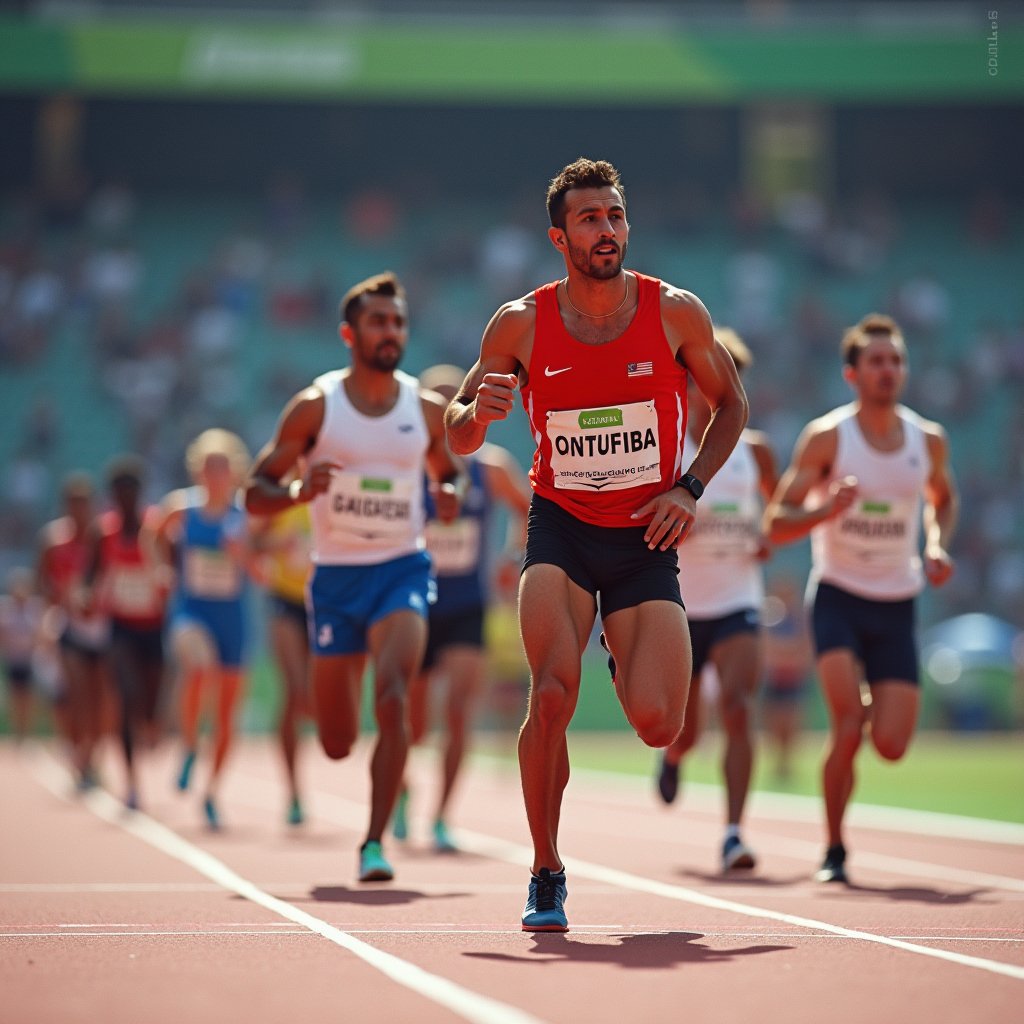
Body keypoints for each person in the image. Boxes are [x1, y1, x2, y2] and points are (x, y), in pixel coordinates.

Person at [444, 158, 748, 931]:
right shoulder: (519, 323)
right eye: (588, 219)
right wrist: (478, 411)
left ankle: (623, 643)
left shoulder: (674, 311)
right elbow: (456, 429)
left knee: (660, 725)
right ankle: (546, 868)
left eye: (613, 216)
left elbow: (732, 403)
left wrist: (690, 488)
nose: (605, 230)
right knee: (549, 696)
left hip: (646, 537)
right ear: (559, 236)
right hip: (563, 529)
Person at [244, 272, 463, 883]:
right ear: (349, 333)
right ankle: (343, 755)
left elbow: (452, 473)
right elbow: (252, 492)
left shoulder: (425, 407)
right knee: (337, 739)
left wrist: (447, 493)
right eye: (377, 322)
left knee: (394, 698)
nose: (390, 332)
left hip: (402, 569)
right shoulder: (318, 407)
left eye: (398, 322)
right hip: (335, 579)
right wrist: (295, 490)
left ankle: (373, 843)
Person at [763, 313, 958, 884]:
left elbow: (942, 499)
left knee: (892, 745)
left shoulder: (929, 440)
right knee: (847, 726)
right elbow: (776, 522)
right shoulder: (828, 437)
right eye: (876, 361)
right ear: (852, 374)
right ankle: (833, 848)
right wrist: (826, 510)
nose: (888, 370)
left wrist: (938, 543)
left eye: (895, 360)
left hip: (897, 601)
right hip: (839, 595)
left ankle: (869, 704)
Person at [653, 328, 778, 873]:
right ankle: (674, 756)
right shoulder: (669, 449)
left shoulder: (755, 452)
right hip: (681, 608)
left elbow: (777, 506)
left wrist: (769, 532)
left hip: (738, 601)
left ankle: (733, 832)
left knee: (739, 706)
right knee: (686, 732)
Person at [393, 363, 532, 853]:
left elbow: (530, 507)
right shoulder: (406, 466)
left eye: (455, 400)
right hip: (413, 603)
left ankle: (443, 816)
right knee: (412, 721)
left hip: (467, 605)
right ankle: (402, 790)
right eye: (434, 403)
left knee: (458, 712)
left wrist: (512, 556)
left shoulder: (489, 468)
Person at [150, 429, 255, 830]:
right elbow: (152, 534)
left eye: (223, 466)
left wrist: (242, 554)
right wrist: (158, 566)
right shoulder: (181, 509)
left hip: (233, 617)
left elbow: (260, 574)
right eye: (209, 466)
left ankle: (211, 791)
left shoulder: (245, 516)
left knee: (228, 716)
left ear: (234, 472)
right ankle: (191, 743)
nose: (215, 473)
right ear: (198, 470)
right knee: (197, 666)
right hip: (192, 611)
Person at [84, 455, 170, 811]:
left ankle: (150, 723)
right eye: (118, 493)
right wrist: (85, 596)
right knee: (125, 693)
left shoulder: (156, 527)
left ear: (139, 493)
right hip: (120, 625)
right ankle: (131, 780)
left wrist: (164, 576)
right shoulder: (102, 532)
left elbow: (174, 564)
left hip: (153, 625)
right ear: (112, 496)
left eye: (130, 492)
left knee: (149, 702)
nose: (124, 499)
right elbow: (90, 575)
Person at [36, 472, 111, 789]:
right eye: (74, 504)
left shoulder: (103, 538)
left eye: (85, 503)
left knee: (100, 698)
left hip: (102, 626)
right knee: (76, 694)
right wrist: (60, 601)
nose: (80, 509)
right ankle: (80, 755)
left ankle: (93, 757)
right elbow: (43, 581)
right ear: (66, 505)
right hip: (69, 626)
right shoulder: (53, 541)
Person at [249, 497, 314, 826]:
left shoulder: (337, 492)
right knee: (294, 689)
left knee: (315, 700)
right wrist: (277, 543)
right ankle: (293, 793)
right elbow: (252, 541)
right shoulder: (283, 497)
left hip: (326, 603)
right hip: (285, 602)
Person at [760, 573, 813, 783]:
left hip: (793, 678)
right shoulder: (770, 618)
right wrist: (788, 652)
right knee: (774, 722)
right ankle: (778, 762)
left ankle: (787, 762)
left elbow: (805, 649)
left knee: (791, 723)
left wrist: (785, 653)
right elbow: (766, 648)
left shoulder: (800, 619)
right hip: (775, 678)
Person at [0, 567, 45, 741]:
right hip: (13, 660)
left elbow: (39, 634)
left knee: (28, 698)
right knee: (15, 698)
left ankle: (26, 732)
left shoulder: (34, 609)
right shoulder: (5, 611)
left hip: (30, 660)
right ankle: (17, 732)